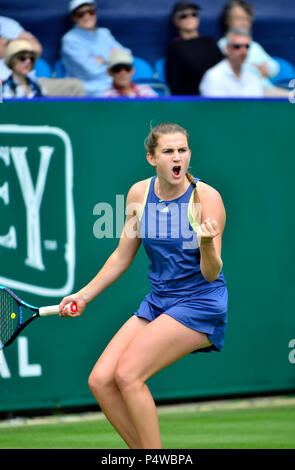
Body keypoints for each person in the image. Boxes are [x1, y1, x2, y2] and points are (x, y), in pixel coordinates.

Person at [59, 122, 228, 449]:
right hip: (159, 300)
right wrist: (83, 295)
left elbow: (211, 273)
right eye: (168, 151)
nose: (177, 157)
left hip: (200, 301)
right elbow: (122, 256)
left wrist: (206, 244)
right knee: (101, 381)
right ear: (152, 158)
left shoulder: (206, 198)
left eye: (183, 150)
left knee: (128, 375)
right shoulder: (139, 193)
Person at [218, 0, 289, 97]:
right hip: (247, 93)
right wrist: (256, 70)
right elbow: (232, 70)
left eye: (246, 19)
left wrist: (267, 69)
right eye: (239, 19)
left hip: (265, 88)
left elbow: (274, 66)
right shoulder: (223, 44)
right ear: (228, 20)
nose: (243, 23)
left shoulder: (254, 46)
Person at [61, 0, 129, 96]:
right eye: (81, 14)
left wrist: (104, 60)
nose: (87, 16)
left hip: (117, 84)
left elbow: (127, 56)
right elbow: (92, 71)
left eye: (91, 12)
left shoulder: (104, 33)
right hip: (90, 91)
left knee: (149, 94)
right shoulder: (70, 40)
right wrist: (113, 58)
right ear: (73, 18)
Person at [165, 1, 224, 95]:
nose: (190, 18)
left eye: (194, 14)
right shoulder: (174, 47)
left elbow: (223, 67)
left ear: (198, 18)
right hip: (195, 98)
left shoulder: (210, 41)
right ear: (175, 21)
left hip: (219, 93)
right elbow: (176, 83)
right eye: (183, 16)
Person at [200, 27, 264, 97]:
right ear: (227, 48)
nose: (243, 51)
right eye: (237, 46)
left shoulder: (253, 78)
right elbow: (214, 107)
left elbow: (257, 106)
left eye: (247, 46)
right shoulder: (214, 77)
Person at [0, 14, 42, 82]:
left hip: (24, 83)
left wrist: (7, 43)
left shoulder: (5, 24)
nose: (28, 61)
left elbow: (36, 48)